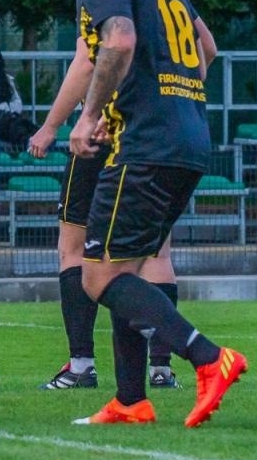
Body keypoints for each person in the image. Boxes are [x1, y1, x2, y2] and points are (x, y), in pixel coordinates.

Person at [63, 0, 245, 427]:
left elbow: (117, 41)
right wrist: (174, 96)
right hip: (188, 139)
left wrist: (90, 116)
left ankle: (209, 356)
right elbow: (207, 48)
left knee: (97, 278)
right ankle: (129, 400)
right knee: (127, 270)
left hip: (145, 144)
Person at [27, 45, 202, 391]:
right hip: (158, 134)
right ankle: (161, 370)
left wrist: (51, 126)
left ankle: (81, 365)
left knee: (73, 249)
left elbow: (87, 61)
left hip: (109, 133)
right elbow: (205, 48)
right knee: (156, 253)